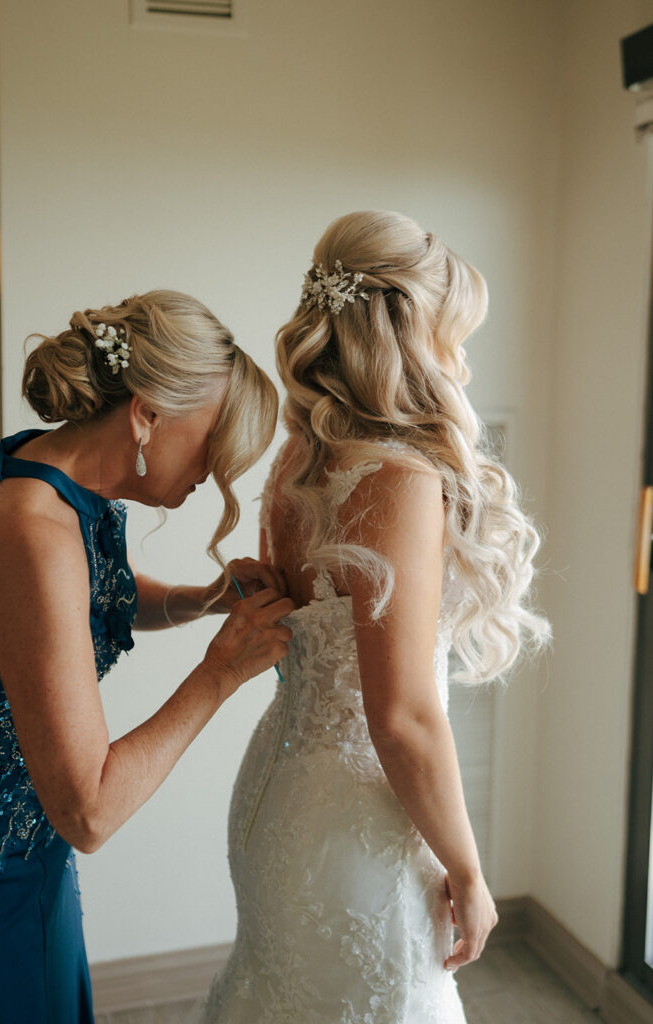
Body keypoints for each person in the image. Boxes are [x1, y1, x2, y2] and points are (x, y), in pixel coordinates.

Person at [196, 212, 553, 1023]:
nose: (460, 355)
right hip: (356, 823)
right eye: (454, 331)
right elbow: (401, 719)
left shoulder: (300, 456)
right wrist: (468, 870)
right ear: (414, 333)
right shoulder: (395, 477)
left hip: (279, 792)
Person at [0, 289, 295, 1024]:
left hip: (24, 865)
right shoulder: (31, 535)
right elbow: (90, 810)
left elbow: (78, 603)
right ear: (146, 415)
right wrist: (219, 672)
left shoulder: (41, 468)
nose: (214, 474)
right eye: (212, 445)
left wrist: (202, 597)